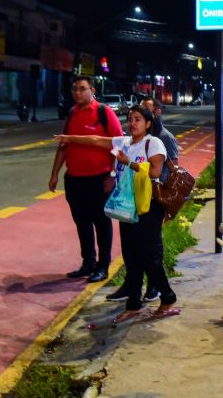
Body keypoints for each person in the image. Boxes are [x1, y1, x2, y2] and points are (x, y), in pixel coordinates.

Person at [54, 105, 179, 324]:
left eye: (138, 119)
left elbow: (155, 173)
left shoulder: (153, 142)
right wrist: (69, 137)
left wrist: (128, 163)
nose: (132, 123)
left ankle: (167, 298)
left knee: (149, 257)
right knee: (130, 257)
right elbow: (95, 140)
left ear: (148, 124)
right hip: (127, 207)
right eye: (130, 119)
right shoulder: (124, 142)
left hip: (148, 207)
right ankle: (133, 304)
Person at [48, 75, 124, 283]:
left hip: (99, 179)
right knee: (82, 223)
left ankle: (103, 266)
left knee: (101, 222)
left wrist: (112, 174)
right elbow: (64, 145)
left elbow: (118, 145)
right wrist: (54, 173)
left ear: (92, 90)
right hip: (75, 180)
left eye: (82, 89)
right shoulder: (72, 113)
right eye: (75, 89)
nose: (78, 93)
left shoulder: (103, 112)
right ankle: (88, 262)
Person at [132, 96, 179, 304]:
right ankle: (139, 290)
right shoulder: (137, 139)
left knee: (152, 249)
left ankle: (159, 291)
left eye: (143, 113)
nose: (134, 121)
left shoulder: (161, 138)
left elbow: (171, 168)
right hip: (140, 197)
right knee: (140, 249)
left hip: (155, 196)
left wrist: (163, 192)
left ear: (154, 115)